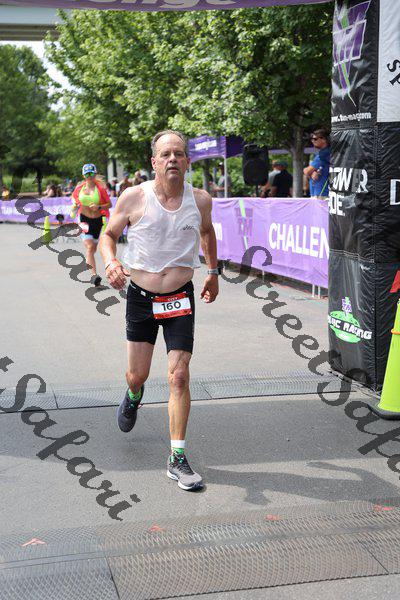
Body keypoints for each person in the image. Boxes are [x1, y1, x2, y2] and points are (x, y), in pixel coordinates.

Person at [99, 130, 220, 491]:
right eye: (165, 154)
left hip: (180, 297)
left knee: (179, 376)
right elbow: (108, 236)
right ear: (154, 162)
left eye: (178, 153)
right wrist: (111, 263)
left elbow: (207, 232)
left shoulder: (200, 200)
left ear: (187, 161)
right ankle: (134, 395)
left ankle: (177, 458)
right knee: (137, 375)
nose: (172, 159)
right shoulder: (134, 197)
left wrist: (213, 272)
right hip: (141, 297)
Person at [71, 164, 111, 287]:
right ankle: (94, 276)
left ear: (95, 174)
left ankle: (93, 270)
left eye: (91, 173)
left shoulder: (101, 189)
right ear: (83, 175)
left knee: (93, 249)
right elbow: (74, 199)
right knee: (89, 248)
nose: (89, 176)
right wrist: (75, 206)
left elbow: (109, 204)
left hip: (97, 221)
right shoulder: (79, 189)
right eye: (87, 174)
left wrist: (99, 207)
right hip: (84, 220)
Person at [304, 128, 331, 198]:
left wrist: (311, 172)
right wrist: (313, 172)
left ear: (324, 139)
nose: (312, 141)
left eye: (315, 139)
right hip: (321, 192)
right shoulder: (325, 152)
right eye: (312, 139)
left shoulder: (324, 154)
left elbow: (307, 171)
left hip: (322, 193)